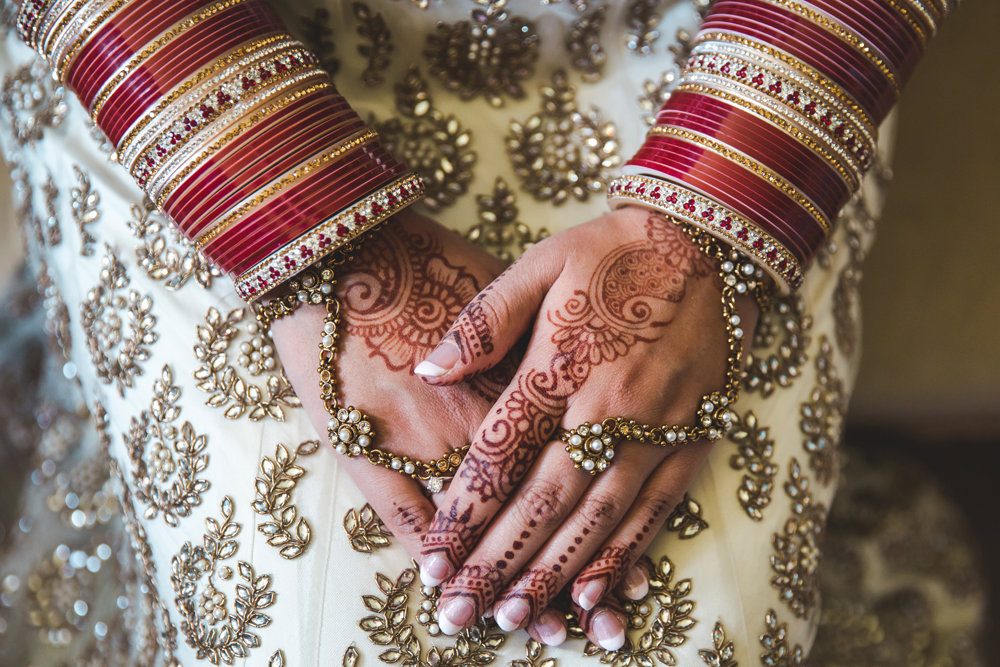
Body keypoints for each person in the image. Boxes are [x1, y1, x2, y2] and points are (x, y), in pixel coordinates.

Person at [0, 0, 952, 663]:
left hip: (728, 62)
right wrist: (312, 235)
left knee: (697, 638)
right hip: (200, 62)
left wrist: (703, 227)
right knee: (296, 638)